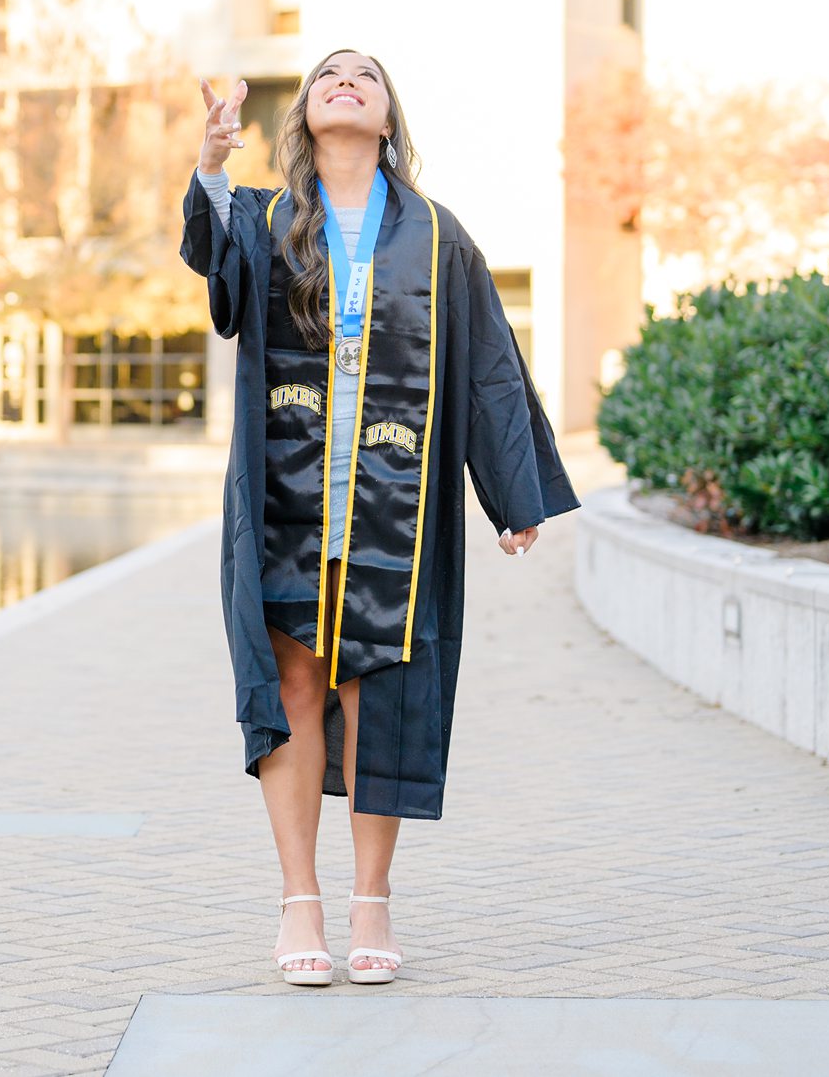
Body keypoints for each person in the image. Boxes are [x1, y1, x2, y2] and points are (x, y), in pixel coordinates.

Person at [179, 49, 578, 987]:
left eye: (366, 75)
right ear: (304, 117)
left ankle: (371, 899)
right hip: (287, 493)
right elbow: (212, 263)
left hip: (392, 500)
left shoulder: (439, 237)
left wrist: (513, 492)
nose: (346, 81)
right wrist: (210, 160)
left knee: (379, 690)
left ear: (391, 116)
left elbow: (489, 363)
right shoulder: (267, 218)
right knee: (292, 684)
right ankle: (298, 901)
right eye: (328, 76)